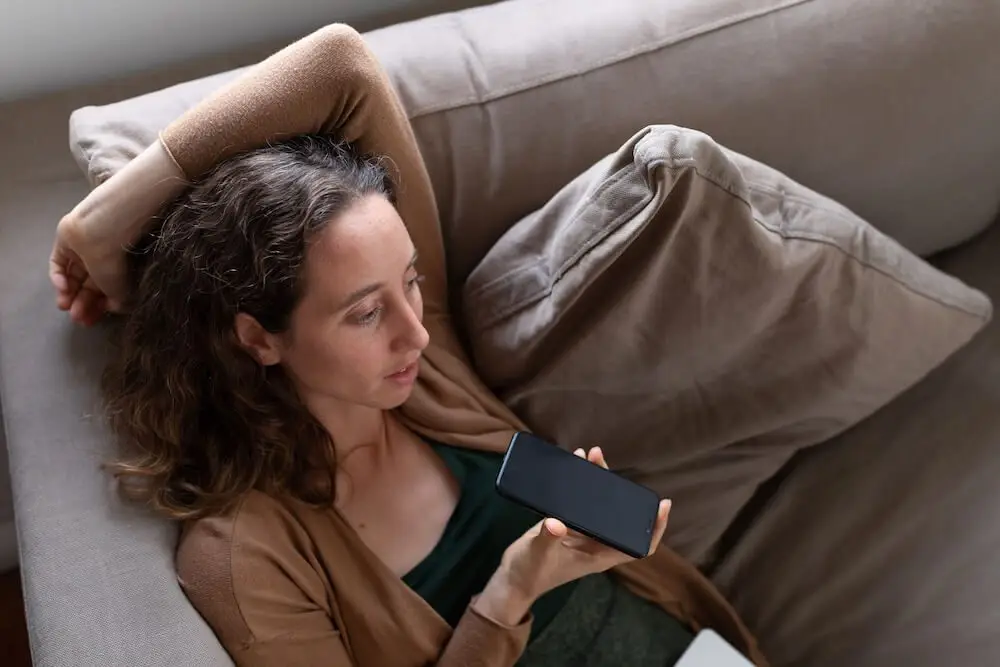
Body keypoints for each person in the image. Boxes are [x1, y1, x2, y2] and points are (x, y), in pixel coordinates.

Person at [49, 24, 767, 667]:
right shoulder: (245, 558)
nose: (415, 330)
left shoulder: (428, 376)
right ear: (258, 338)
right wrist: (511, 592)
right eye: (366, 313)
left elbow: (342, 66)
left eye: (413, 281)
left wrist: (105, 220)